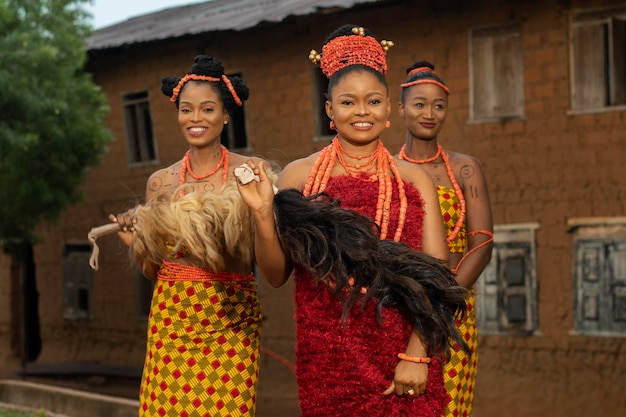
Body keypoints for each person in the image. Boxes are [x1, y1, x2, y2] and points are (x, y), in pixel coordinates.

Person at [237, 25, 466, 417]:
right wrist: (261, 213)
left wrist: (417, 353)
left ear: (390, 108)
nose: (362, 111)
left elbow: (439, 280)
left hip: (403, 359)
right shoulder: (299, 178)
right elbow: (276, 275)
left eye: (373, 100)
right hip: (327, 364)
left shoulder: (414, 180)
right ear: (329, 110)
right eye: (348, 102)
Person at [110, 55, 272, 417]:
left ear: (226, 114)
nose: (195, 118)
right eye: (186, 109)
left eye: (207, 108)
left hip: (231, 321)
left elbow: (268, 263)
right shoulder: (161, 183)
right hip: (172, 321)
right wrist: (136, 244)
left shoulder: (250, 174)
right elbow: (156, 272)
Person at [397, 60, 494, 417]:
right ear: (401, 107)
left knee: (448, 406)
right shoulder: (388, 168)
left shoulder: (465, 168)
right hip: (400, 306)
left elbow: (482, 244)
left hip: (454, 308)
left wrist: (443, 300)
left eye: (438, 106)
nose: (429, 113)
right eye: (419, 104)